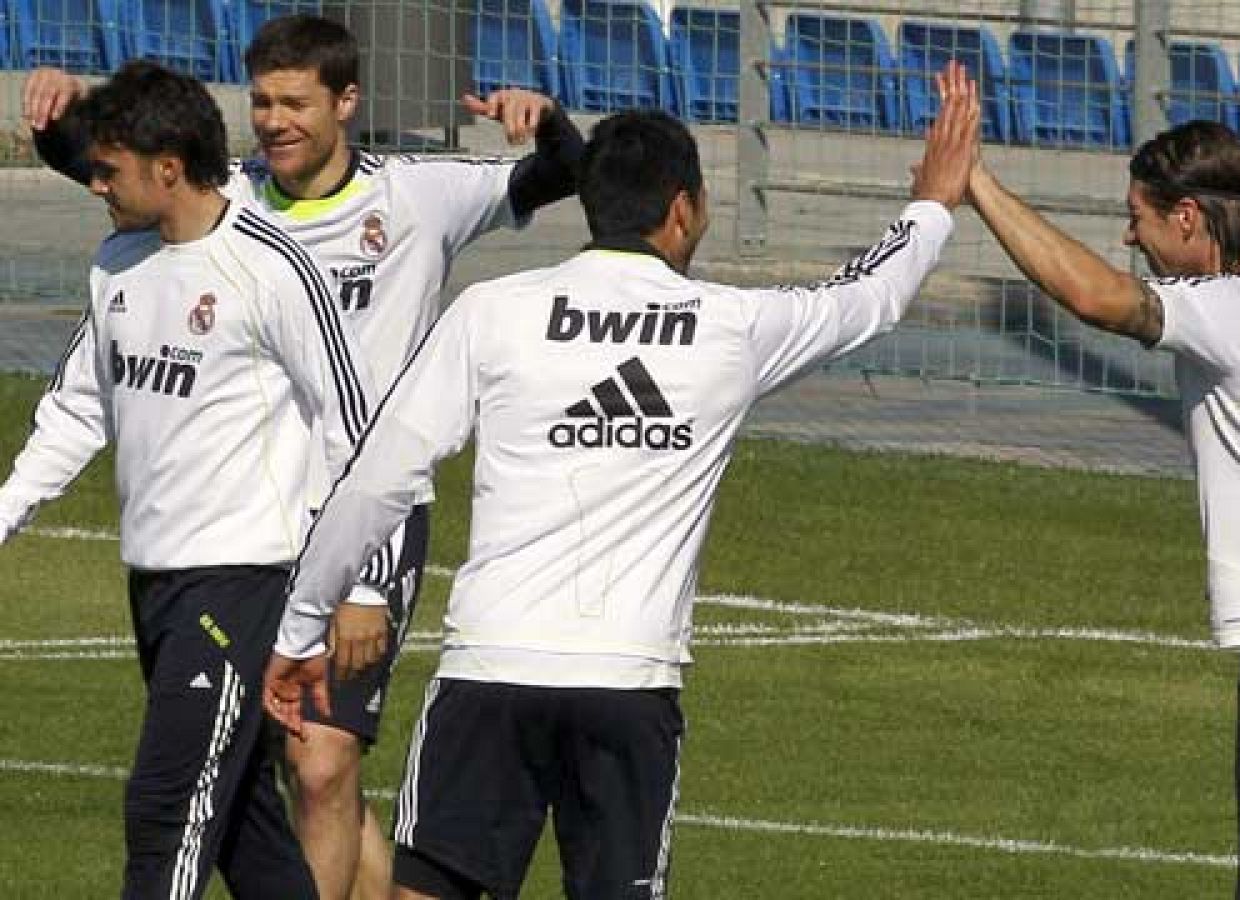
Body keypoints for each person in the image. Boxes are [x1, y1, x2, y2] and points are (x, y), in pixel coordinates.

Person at [262, 61, 978, 900]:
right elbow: (873, 297)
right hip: (628, 684)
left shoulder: (495, 309)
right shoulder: (735, 327)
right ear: (684, 209)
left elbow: (377, 477)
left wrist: (302, 625)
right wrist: (931, 204)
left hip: (491, 670)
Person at [23, 14, 584, 899]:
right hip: (268, 522)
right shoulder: (235, 195)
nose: (275, 121)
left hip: (371, 519)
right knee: (276, 772)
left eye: (295, 102)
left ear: (347, 101)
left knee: (315, 762)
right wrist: (59, 115)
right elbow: (130, 175)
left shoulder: (419, 194)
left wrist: (542, 118)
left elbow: (564, 171)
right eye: (261, 103)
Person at [963, 119, 1240, 898]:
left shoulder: (1236, 311)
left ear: (1186, 218)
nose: (1128, 238)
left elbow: (1097, 298)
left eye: (1137, 218)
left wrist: (975, 183)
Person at [0, 60, 378, 899]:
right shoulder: (118, 266)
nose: (94, 184)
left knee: (168, 808)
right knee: (244, 821)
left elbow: (350, 428)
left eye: (108, 169)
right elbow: (76, 411)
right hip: (157, 584)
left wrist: (362, 583)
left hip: (244, 585)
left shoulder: (270, 268)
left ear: (167, 166)